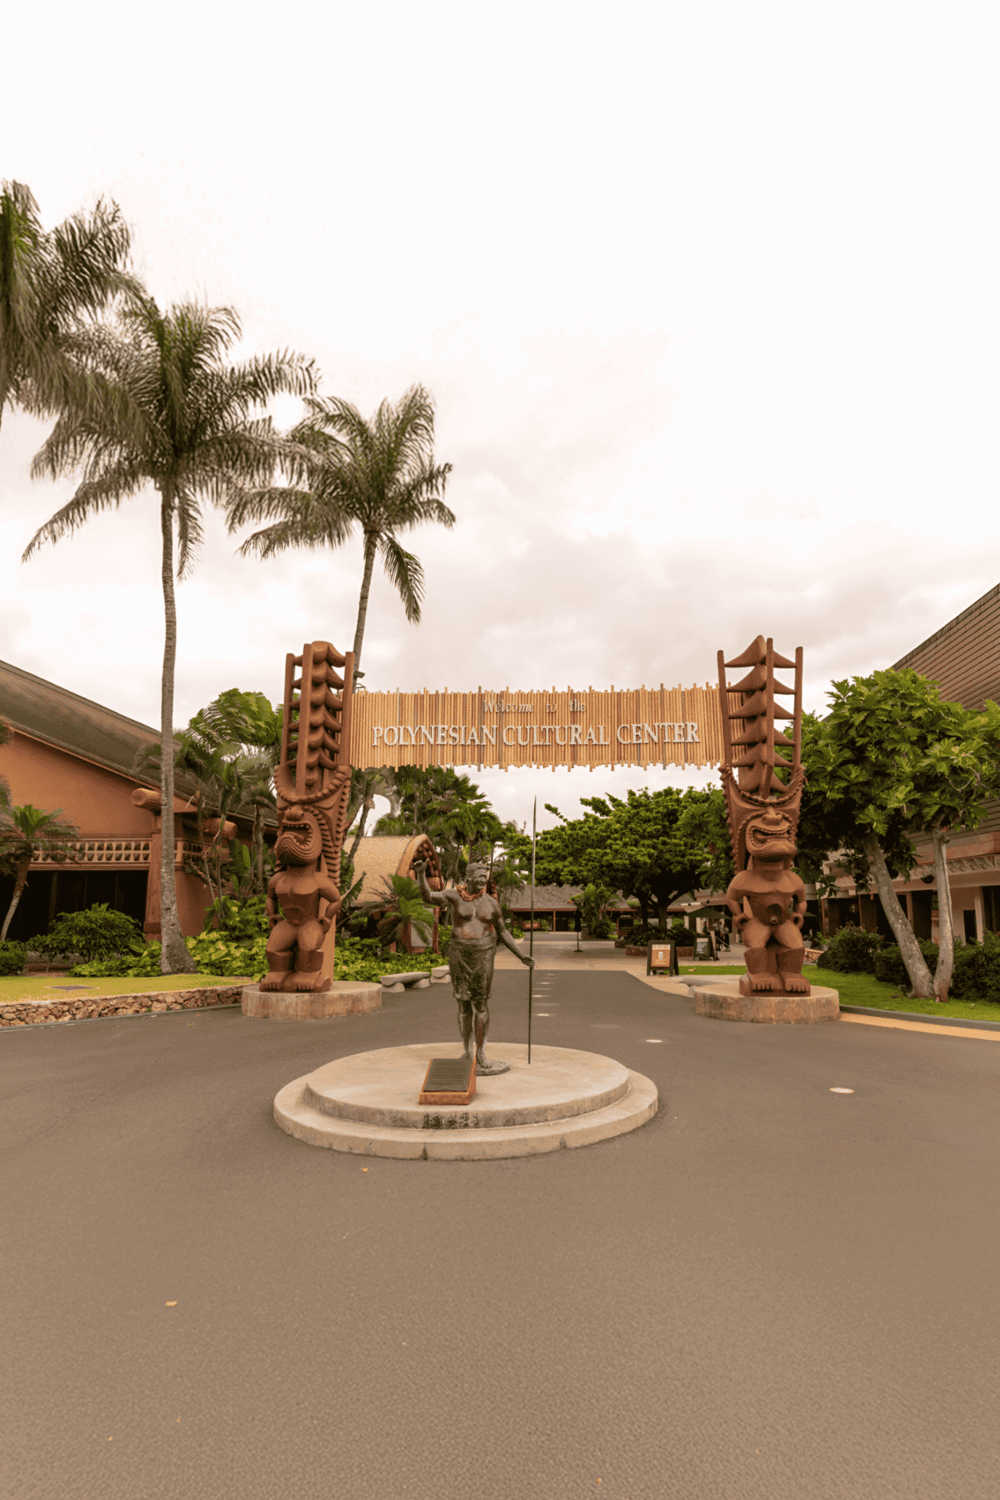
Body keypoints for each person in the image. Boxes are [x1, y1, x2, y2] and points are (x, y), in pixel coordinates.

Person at [413, 859, 534, 1075]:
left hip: (484, 953)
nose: (482, 882)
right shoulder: (453, 895)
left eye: (485, 879)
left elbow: (503, 932)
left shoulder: (491, 903)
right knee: (462, 1004)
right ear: (469, 877)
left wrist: (522, 956)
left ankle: (482, 1052)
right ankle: (467, 1051)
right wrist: (421, 874)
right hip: (459, 951)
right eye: (479, 878)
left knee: (480, 1003)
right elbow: (428, 897)